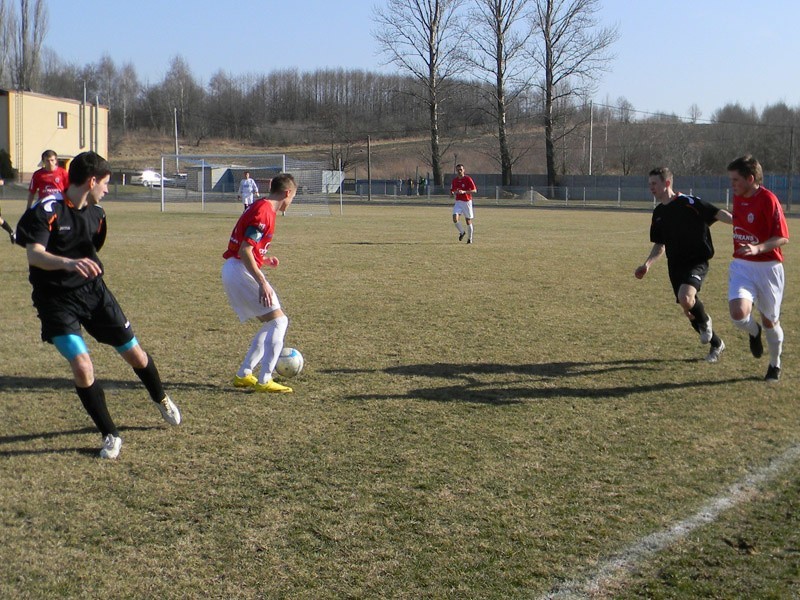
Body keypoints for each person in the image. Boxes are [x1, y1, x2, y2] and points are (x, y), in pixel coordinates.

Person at [15, 151, 181, 459]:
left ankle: (161, 398)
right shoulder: (47, 210)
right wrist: (68, 263)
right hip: (55, 301)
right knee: (82, 365)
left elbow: (93, 247)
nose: (106, 189)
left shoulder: (98, 215)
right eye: (104, 183)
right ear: (92, 181)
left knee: (135, 354)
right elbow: (34, 254)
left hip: (94, 294)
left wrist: (82, 265)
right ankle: (109, 434)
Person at [635, 167, 732, 363]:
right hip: (675, 267)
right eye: (649, 184)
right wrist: (647, 265)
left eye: (654, 183)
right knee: (688, 311)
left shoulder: (688, 202)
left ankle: (705, 322)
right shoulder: (659, 212)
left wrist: (740, 223)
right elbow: (659, 245)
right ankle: (716, 343)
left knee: (686, 297)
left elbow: (717, 213)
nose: (651, 188)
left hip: (696, 261)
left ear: (667, 183)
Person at [222, 173, 297, 393]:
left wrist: (263, 259)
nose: (291, 202)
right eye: (293, 197)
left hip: (235, 268)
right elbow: (245, 249)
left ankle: (244, 374)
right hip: (239, 269)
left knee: (271, 322)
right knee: (280, 322)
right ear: (287, 193)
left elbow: (248, 249)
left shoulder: (262, 207)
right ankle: (264, 379)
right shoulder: (264, 212)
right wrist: (262, 281)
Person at [726, 155, 790, 383]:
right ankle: (754, 332)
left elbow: (783, 237)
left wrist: (757, 248)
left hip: (769, 268)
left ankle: (775, 364)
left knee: (770, 321)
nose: (732, 184)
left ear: (750, 178)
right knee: (737, 314)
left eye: (735, 180)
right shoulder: (737, 197)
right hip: (742, 267)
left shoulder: (769, 200)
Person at [450, 164, 477, 243]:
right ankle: (462, 232)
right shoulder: (454, 180)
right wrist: (452, 193)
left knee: (468, 220)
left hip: (467, 202)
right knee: (455, 218)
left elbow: (474, 190)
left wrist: (464, 191)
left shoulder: (468, 179)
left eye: (461, 169)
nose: (459, 171)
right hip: (458, 202)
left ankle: (470, 239)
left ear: (463, 170)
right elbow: (452, 191)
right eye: (458, 170)